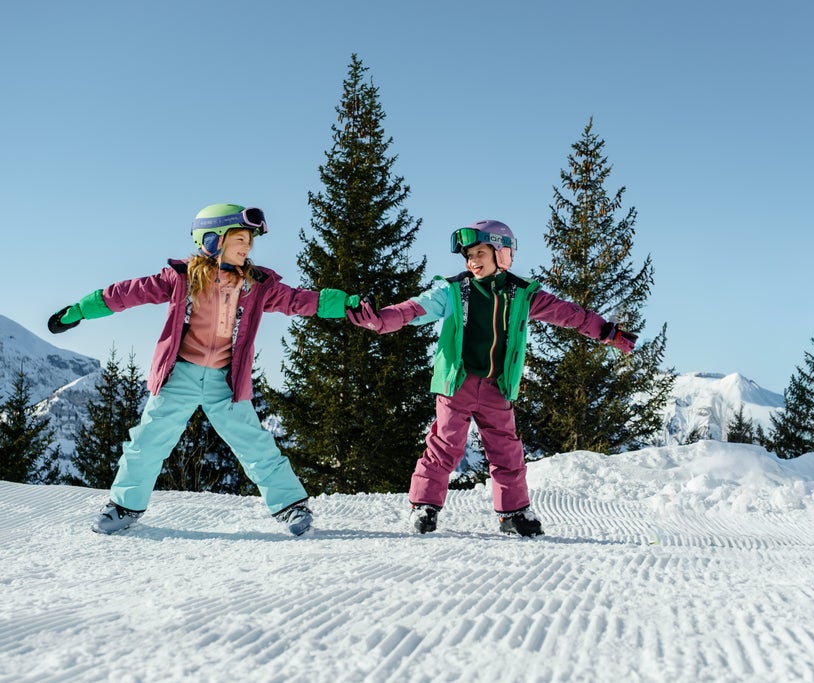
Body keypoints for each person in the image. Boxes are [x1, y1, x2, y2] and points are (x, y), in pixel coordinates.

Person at [48, 203, 359, 536]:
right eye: (239, 238)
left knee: (254, 444)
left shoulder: (256, 285)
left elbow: (298, 300)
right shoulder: (181, 278)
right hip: (179, 375)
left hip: (225, 381)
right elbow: (130, 292)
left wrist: (344, 303)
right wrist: (81, 309)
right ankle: (124, 506)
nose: (247, 247)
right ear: (212, 240)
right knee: (148, 441)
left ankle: (291, 507)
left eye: (250, 241)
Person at [346, 220, 636, 536]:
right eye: (469, 256)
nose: (472, 261)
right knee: (445, 445)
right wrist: (380, 320)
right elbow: (415, 309)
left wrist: (606, 331)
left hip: (498, 386)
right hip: (458, 383)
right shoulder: (454, 290)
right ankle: (425, 507)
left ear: (503, 253)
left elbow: (568, 314)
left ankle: (513, 513)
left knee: (506, 451)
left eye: (480, 252)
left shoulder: (524, 295)